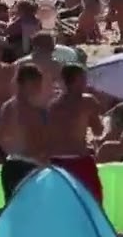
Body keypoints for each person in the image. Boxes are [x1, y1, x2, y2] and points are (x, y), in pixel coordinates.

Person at [47, 64, 105, 200]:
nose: (86, 83)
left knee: (59, 200)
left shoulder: (52, 105)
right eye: (83, 79)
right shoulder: (87, 101)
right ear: (75, 81)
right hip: (78, 159)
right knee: (92, 199)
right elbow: (98, 131)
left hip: (55, 161)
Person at [0, 62, 50, 163]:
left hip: (31, 161)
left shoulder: (39, 108)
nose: (39, 87)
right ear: (25, 83)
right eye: (36, 84)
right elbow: (0, 137)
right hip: (23, 162)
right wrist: (20, 152)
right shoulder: (12, 107)